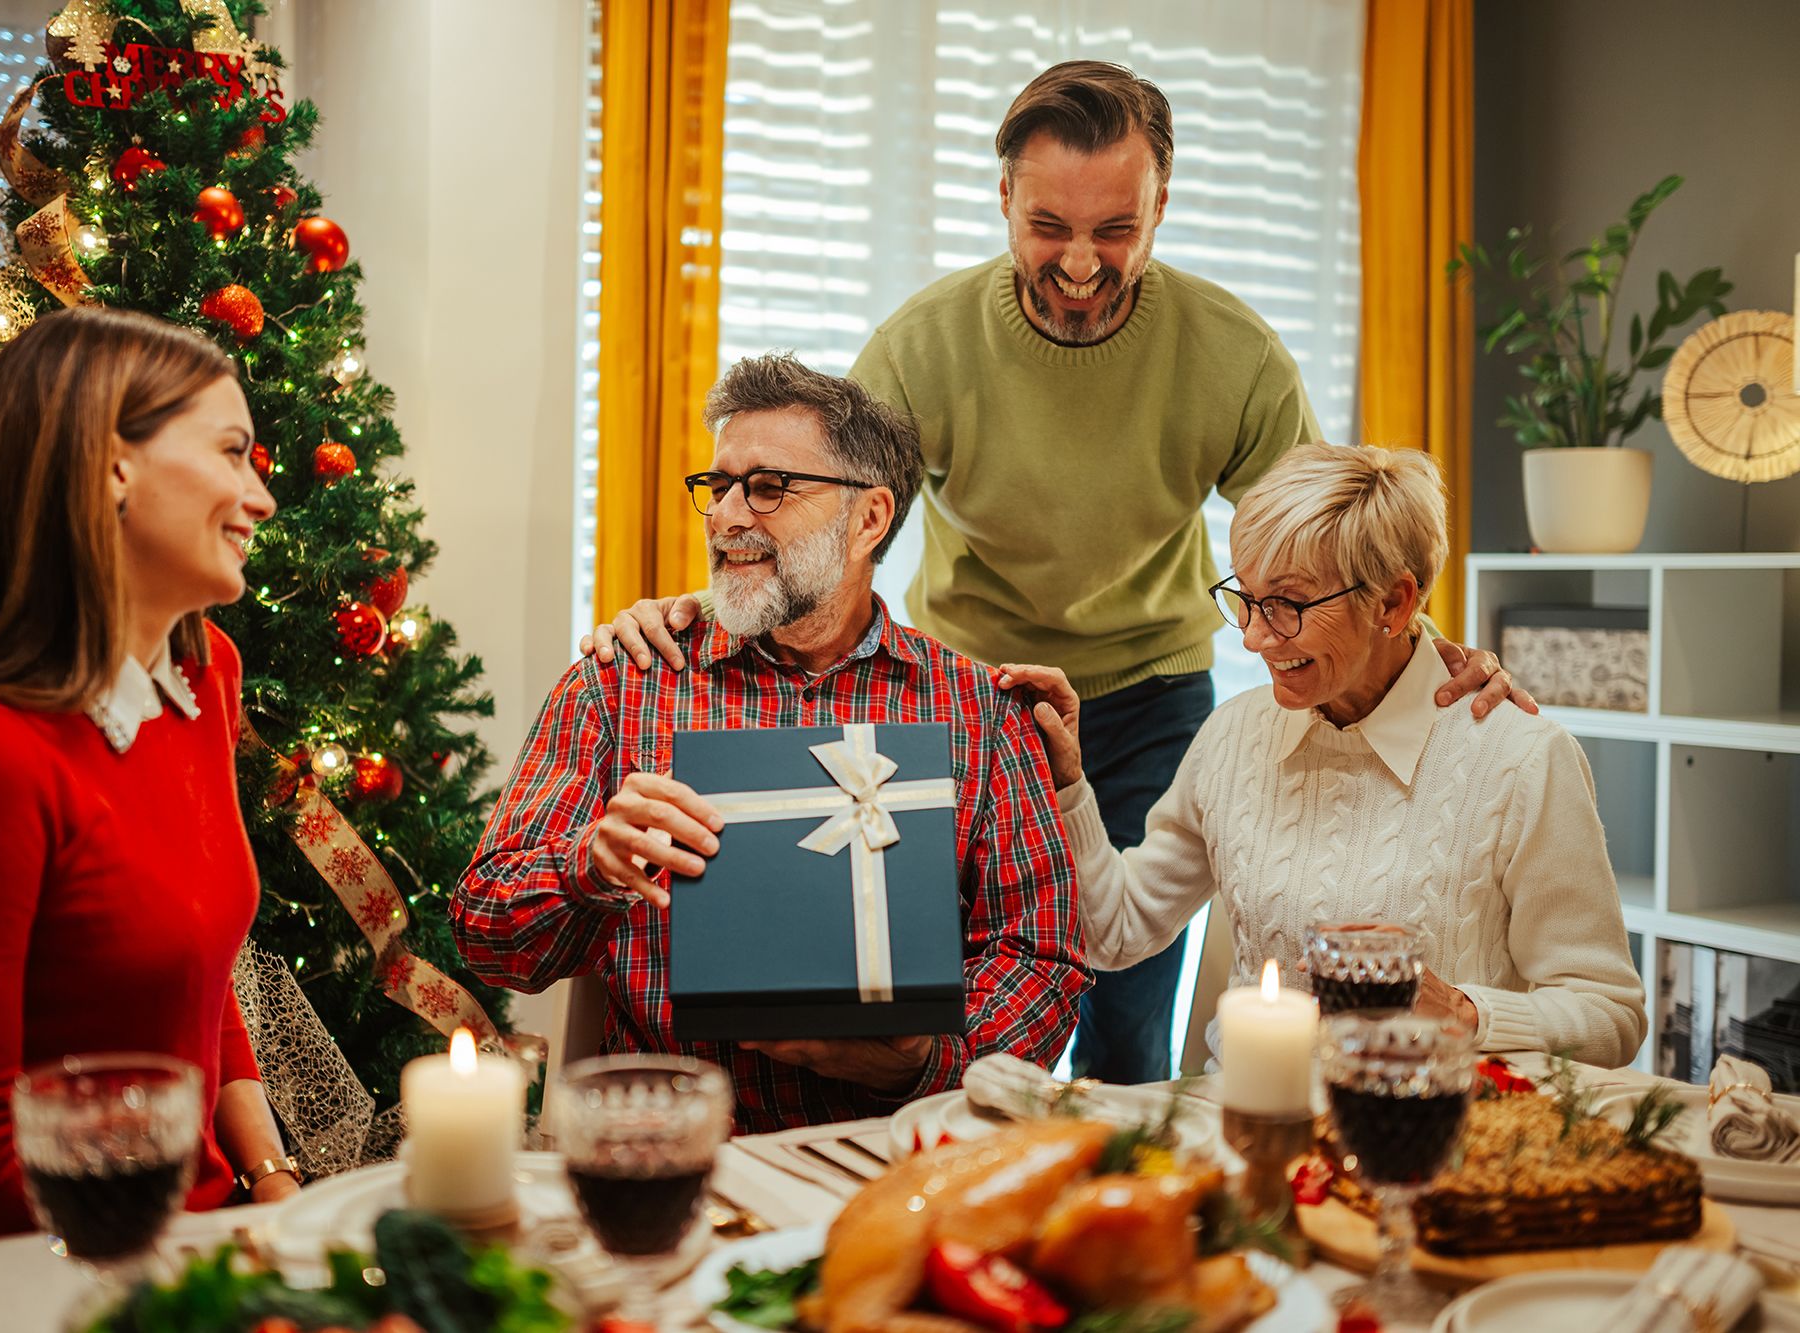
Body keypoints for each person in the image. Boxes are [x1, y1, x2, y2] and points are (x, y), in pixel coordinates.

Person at [580, 60, 1532, 1084]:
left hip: (1150, 696)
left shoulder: (1235, 356)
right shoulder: (923, 347)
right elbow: (826, 513)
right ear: (1003, 199)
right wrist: (722, 597)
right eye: (1048, 226)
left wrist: (1422, 651)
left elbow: (1333, 545)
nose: (1080, 263)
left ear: (1160, 205)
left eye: (1114, 229)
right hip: (976, 698)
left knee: (1125, 1018)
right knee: (943, 998)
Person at [453, 353, 1086, 1133]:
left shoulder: (978, 712)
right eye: (718, 486)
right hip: (673, 1152)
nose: (726, 517)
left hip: (898, 1149)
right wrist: (588, 866)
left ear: (869, 518)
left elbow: (1043, 961)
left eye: (767, 486)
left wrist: (923, 1065)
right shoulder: (622, 685)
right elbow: (484, 937)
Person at [0, 307, 293, 1255]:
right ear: (113, 467)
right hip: (3, 1271)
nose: (261, 497)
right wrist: (196, 1262)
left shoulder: (207, 675)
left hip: (181, 1239)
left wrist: (270, 1177)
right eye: (233, 452)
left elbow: (195, 972)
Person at [999, 444, 1645, 1068]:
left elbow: (1610, 1015)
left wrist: (1463, 1012)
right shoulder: (1232, 736)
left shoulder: (1522, 760)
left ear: (1393, 602)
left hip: (1430, 1126)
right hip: (1245, 1118)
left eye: (1287, 604)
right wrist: (1068, 783)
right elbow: (1114, 931)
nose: (1254, 638)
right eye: (1248, 599)